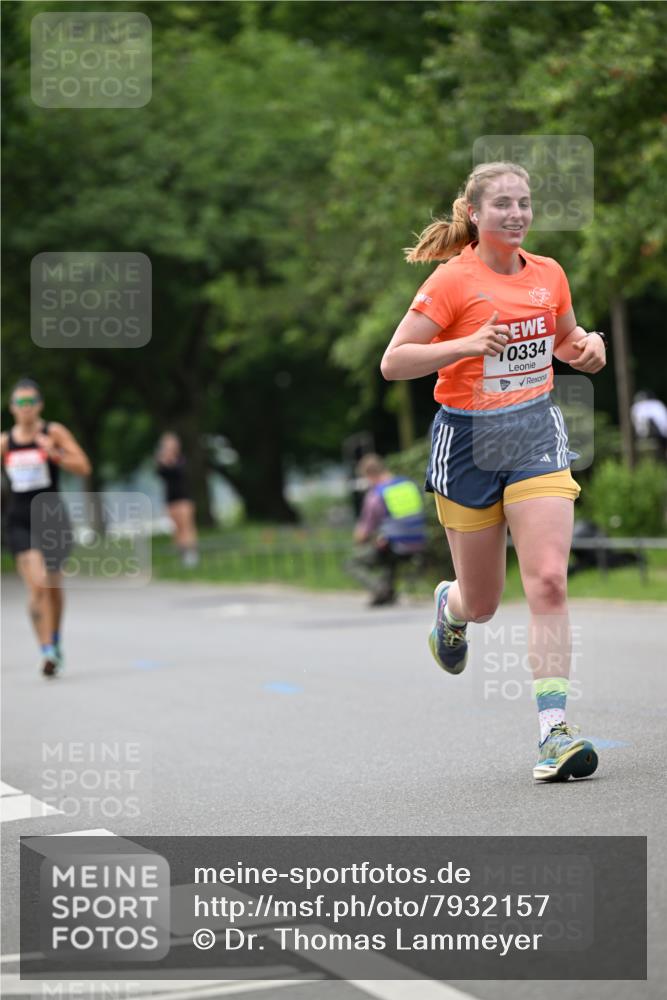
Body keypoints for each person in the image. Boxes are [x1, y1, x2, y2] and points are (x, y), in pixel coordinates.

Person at [381, 161, 607, 781]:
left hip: (535, 430)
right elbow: (394, 362)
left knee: (550, 582)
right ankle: (450, 611)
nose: (516, 214)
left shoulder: (549, 275)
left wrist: (588, 348)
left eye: (524, 203)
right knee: (482, 602)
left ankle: (552, 734)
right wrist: (464, 346)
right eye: (502, 204)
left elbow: (565, 342)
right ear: (475, 215)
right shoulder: (453, 283)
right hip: (467, 442)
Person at [1, 378, 91, 677]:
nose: (26, 409)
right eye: (20, 403)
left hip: (52, 516)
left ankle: (55, 638)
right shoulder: (5, 443)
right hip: (19, 519)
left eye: (31, 402)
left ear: (39, 405)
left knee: (52, 586)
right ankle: (46, 652)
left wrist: (55, 453)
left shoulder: (53, 432)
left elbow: (83, 467)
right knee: (37, 585)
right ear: (12, 407)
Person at [346, 453, 426, 606]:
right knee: (386, 551)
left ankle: (380, 588)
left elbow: (364, 531)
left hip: (395, 545)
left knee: (352, 562)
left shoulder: (376, 494)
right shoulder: (409, 484)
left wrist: (359, 541)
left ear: (369, 475)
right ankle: (388, 591)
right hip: (420, 542)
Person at [155, 432, 199, 567]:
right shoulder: (162, 462)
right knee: (177, 528)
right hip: (171, 499)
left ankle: (192, 554)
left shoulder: (181, 460)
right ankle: (182, 555)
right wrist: (163, 458)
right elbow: (160, 473)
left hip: (183, 497)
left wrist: (169, 460)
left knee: (187, 526)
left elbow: (178, 471)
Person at [631, 390, 667, 461]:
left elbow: (638, 425)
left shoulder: (636, 407)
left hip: (648, 434)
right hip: (662, 433)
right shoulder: (658, 404)